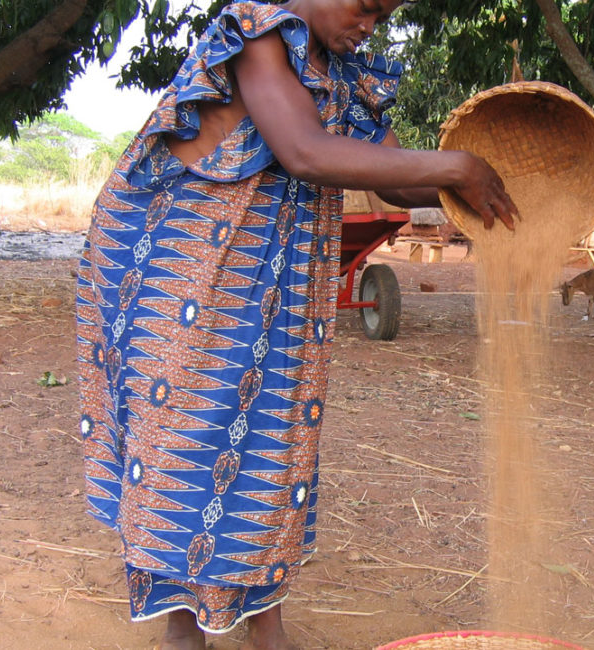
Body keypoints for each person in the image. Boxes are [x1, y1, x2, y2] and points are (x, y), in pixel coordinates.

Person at [75, 1, 518, 648]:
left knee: (275, 445)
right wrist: (456, 167)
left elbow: (397, 185)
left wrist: (493, 183)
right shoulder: (258, 34)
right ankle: (182, 628)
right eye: (366, 6)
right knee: (189, 441)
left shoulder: (340, 72)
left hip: (274, 290)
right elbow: (306, 153)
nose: (371, 25)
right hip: (188, 275)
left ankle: (266, 627)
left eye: (383, 15)